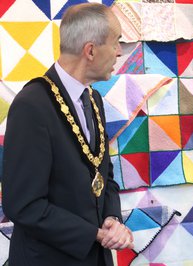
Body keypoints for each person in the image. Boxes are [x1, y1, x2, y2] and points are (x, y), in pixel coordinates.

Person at [2, 3, 133, 265]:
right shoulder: (32, 105)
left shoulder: (93, 98)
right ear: (91, 50)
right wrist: (94, 234)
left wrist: (112, 219)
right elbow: (23, 205)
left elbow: (103, 175)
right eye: (116, 42)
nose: (119, 52)